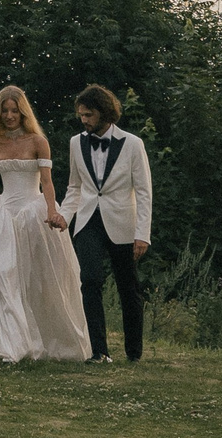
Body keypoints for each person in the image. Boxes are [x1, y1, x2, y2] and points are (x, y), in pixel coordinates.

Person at [0, 86, 93, 364]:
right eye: (5, 111)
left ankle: (49, 342)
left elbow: (47, 182)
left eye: (14, 110)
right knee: (7, 278)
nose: (9, 115)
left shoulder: (38, 142)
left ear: (23, 112)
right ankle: (12, 346)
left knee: (41, 279)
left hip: (34, 212)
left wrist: (52, 211)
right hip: (3, 217)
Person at [61, 83, 154, 364]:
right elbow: (74, 187)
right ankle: (99, 352)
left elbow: (144, 192)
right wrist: (64, 218)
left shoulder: (133, 144)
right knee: (89, 281)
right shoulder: (76, 143)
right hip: (88, 220)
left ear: (104, 113)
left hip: (123, 223)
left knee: (128, 288)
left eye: (88, 115)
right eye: (81, 115)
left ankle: (133, 353)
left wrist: (142, 234)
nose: (84, 120)